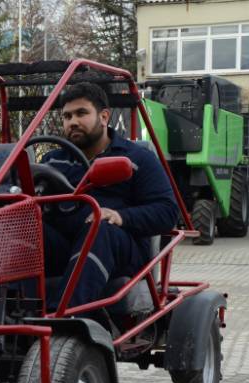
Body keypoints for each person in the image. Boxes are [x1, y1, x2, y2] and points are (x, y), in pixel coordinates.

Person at [42, 82, 179, 313]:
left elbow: (167, 212)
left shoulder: (137, 158)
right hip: (66, 247)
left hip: (121, 250)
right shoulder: (52, 161)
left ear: (104, 117)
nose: (72, 121)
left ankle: (63, 320)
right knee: (20, 226)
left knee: (100, 226)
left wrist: (120, 216)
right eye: (66, 116)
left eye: (81, 113)